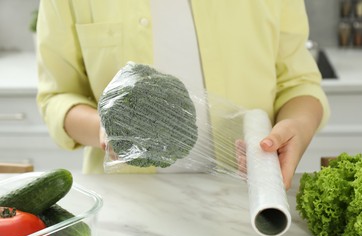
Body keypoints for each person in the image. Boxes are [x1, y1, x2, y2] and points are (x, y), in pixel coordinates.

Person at [36, 0, 330, 190]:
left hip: (248, 197)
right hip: (129, 204)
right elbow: (58, 97)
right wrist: (102, 129)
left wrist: (298, 128)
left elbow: (298, 84)